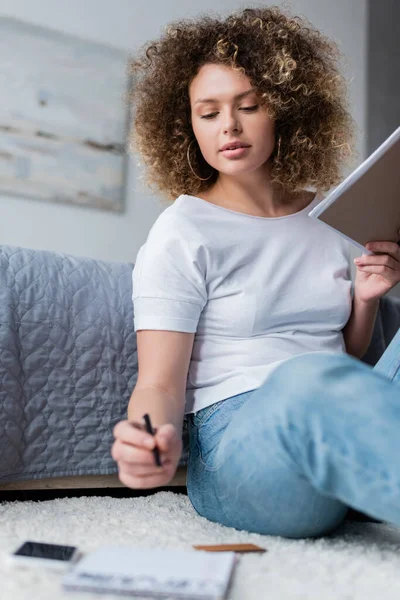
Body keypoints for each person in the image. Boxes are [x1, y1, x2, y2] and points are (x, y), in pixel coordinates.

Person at [111, 6, 400, 539]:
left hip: (329, 426)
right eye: (209, 112)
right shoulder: (183, 231)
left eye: (250, 105)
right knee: (306, 375)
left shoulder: (334, 222)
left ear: (287, 110)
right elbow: (158, 383)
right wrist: (148, 436)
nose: (230, 127)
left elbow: (345, 359)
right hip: (238, 451)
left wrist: (366, 299)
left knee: (321, 372)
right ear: (185, 125)